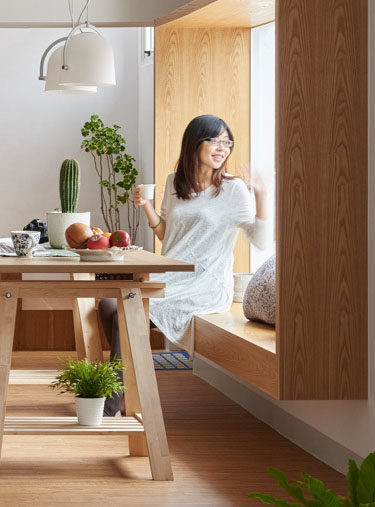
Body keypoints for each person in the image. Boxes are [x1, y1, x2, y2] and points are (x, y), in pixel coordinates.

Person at [98, 114, 271, 416]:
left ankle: (112, 403)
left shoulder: (233, 190)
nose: (222, 148)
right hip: (171, 275)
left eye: (227, 142)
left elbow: (260, 242)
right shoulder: (173, 182)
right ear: (194, 142)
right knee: (108, 306)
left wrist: (262, 195)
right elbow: (168, 235)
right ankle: (129, 391)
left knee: (128, 309)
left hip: (206, 282)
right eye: (214, 140)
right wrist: (146, 207)